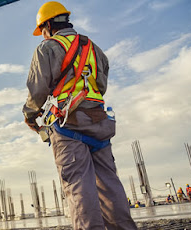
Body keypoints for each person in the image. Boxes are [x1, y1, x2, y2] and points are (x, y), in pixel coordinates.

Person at [22, 2, 137, 229]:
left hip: (68, 125)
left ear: (47, 25)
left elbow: (37, 89)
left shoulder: (47, 48)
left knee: (78, 186)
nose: (42, 36)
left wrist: (30, 115)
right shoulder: (94, 48)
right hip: (99, 122)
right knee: (109, 185)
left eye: (41, 31)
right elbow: (101, 85)